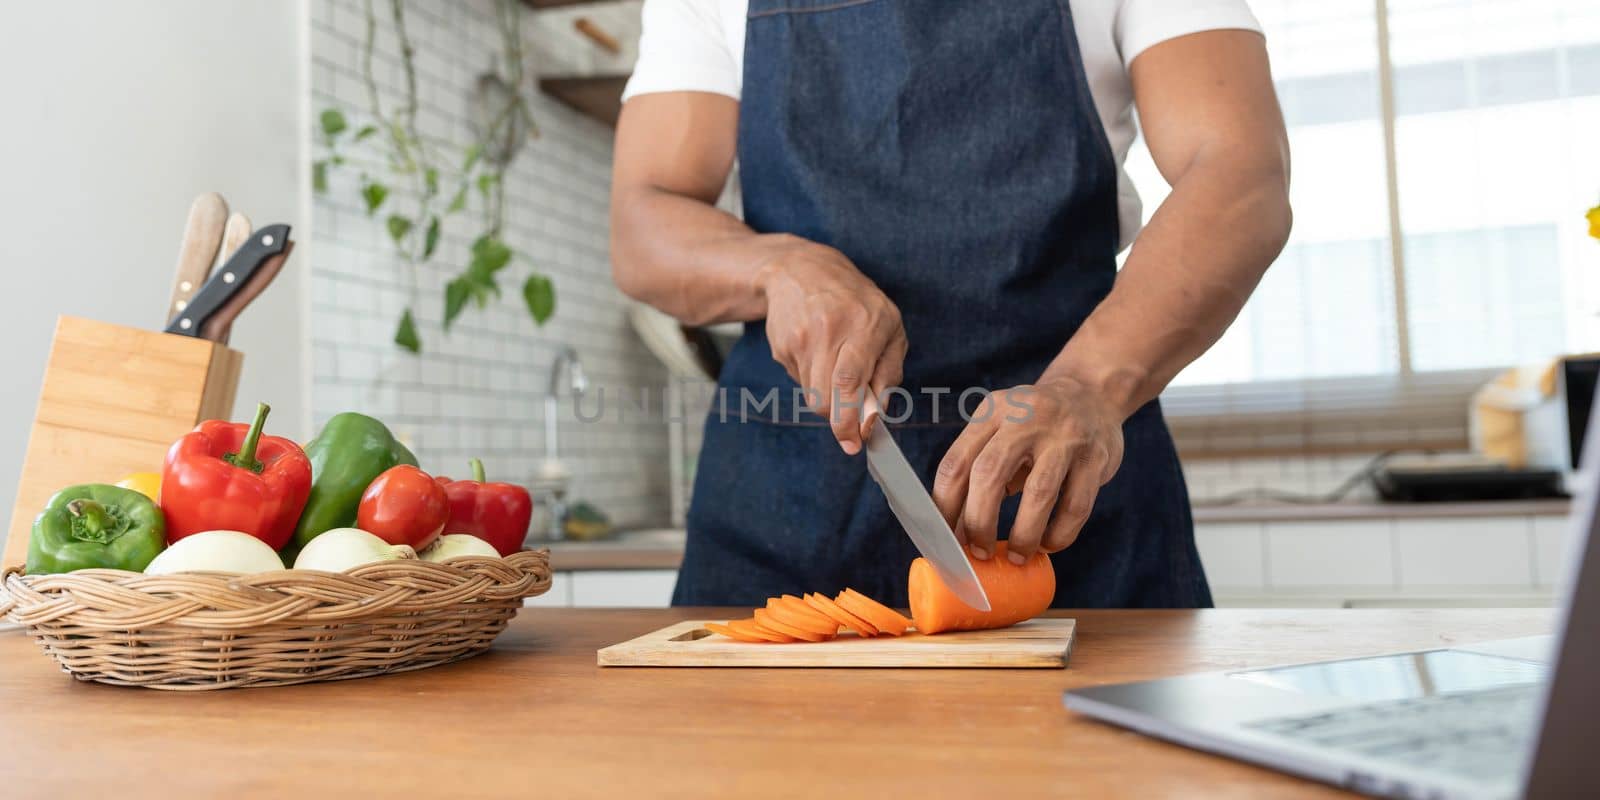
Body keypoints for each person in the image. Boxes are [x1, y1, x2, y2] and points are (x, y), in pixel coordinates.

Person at [610, 0, 1291, 607]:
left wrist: (1088, 387)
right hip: (781, 504)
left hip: (1062, 501)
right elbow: (643, 223)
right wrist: (780, 268)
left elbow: (1239, 172)